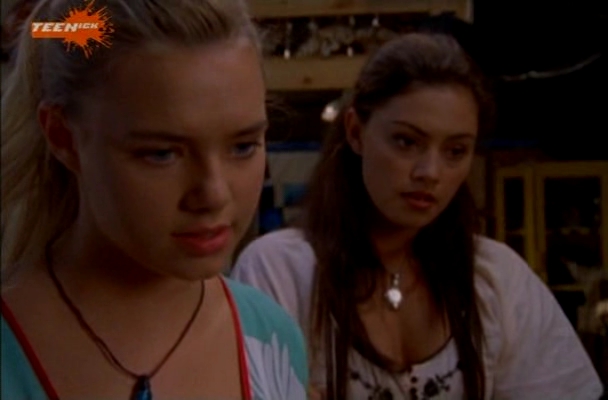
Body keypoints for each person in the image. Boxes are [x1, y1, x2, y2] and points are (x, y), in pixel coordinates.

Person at [231, 33, 604, 399]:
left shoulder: (496, 278)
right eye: (406, 142)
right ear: (356, 132)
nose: (430, 172)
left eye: (455, 151)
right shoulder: (282, 270)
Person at [1, 0, 308, 399]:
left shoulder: (272, 337)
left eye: (243, 146)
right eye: (162, 154)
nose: (213, 194)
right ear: (64, 137)